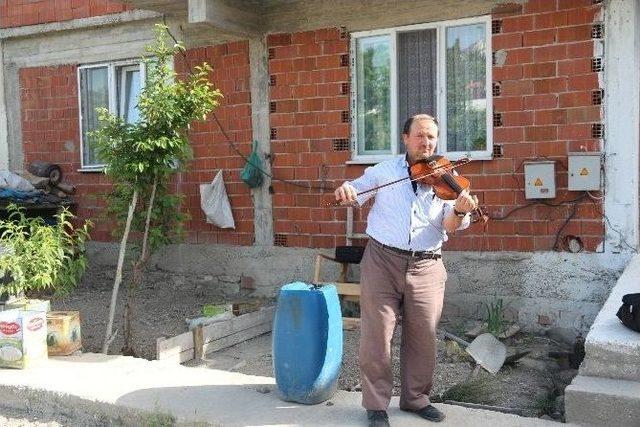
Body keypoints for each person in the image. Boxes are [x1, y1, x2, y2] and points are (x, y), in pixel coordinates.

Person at [334, 114, 477, 427]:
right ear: (405, 138)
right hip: (382, 260)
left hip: (427, 264)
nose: (426, 143)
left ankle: (415, 399)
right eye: (420, 136)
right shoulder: (385, 171)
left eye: (431, 137)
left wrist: (459, 210)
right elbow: (357, 189)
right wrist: (347, 190)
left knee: (423, 336)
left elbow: (449, 225)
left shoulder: (446, 177)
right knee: (377, 334)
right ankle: (375, 405)